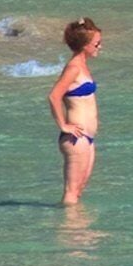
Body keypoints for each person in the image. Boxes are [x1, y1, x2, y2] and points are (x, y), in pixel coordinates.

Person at [47, 18, 104, 206]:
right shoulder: (73, 68)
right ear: (85, 45)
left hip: (87, 138)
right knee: (71, 192)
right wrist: (63, 125)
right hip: (75, 138)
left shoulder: (83, 66)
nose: (100, 47)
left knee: (79, 191)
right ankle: (69, 232)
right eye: (96, 43)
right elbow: (54, 96)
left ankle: (77, 231)